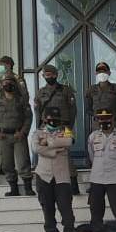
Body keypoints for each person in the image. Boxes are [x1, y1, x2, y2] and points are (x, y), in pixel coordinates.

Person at [34, 107, 76, 232]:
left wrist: (48, 143)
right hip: (43, 177)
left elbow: (69, 141)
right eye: (50, 118)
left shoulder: (66, 130)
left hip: (62, 178)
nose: (53, 121)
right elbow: (36, 148)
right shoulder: (38, 132)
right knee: (48, 212)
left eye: (56, 119)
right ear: (45, 119)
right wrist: (54, 150)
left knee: (67, 212)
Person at [34, 64, 79, 194]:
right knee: (46, 151)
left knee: (66, 154)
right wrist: (39, 127)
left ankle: (73, 182)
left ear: (55, 75)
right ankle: (47, 181)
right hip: (45, 127)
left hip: (64, 126)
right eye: (46, 75)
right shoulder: (40, 92)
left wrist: (69, 127)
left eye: (50, 75)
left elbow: (73, 110)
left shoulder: (66, 90)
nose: (48, 77)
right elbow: (37, 110)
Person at [0, 73, 35, 196]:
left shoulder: (21, 100)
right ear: (1, 84)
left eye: (10, 81)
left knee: (23, 162)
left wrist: (23, 132)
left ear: (14, 84)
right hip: (3, 136)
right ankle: (13, 188)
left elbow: (28, 117)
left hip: (18, 135)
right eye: (5, 82)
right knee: (6, 164)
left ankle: (28, 187)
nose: (7, 84)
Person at [87, 109, 116, 229]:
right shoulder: (93, 136)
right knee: (96, 213)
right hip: (97, 179)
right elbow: (92, 156)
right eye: (101, 119)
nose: (104, 121)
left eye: (107, 118)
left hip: (114, 179)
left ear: (112, 120)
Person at [85, 62, 116, 129]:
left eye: (104, 71)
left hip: (113, 124)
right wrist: (97, 115)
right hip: (97, 124)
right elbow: (88, 109)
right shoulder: (91, 90)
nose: (102, 73)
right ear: (96, 73)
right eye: (99, 71)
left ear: (109, 73)